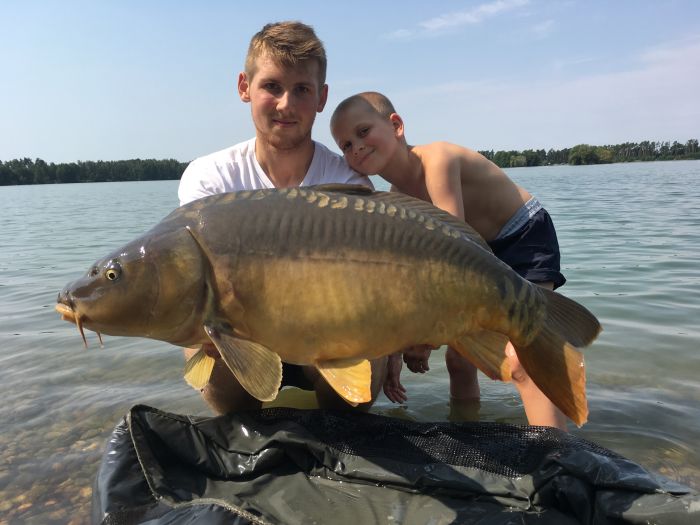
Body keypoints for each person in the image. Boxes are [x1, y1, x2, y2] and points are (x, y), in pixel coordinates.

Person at [177, 22, 387, 414]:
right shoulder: (210, 177)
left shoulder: (348, 182)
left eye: (302, 89)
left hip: (325, 335)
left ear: (322, 97)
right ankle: (245, 434)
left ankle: (340, 436)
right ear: (244, 87)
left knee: (366, 349)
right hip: (243, 339)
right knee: (206, 333)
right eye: (272, 86)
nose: (286, 104)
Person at [330, 91, 569, 430]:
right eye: (345, 145)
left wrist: (425, 339)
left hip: (522, 237)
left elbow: (452, 260)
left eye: (363, 131)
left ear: (396, 125)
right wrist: (394, 350)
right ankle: (467, 434)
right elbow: (407, 277)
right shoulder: (395, 200)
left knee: (526, 352)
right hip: (478, 252)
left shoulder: (437, 161)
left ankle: (554, 449)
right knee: (460, 358)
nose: (356, 147)